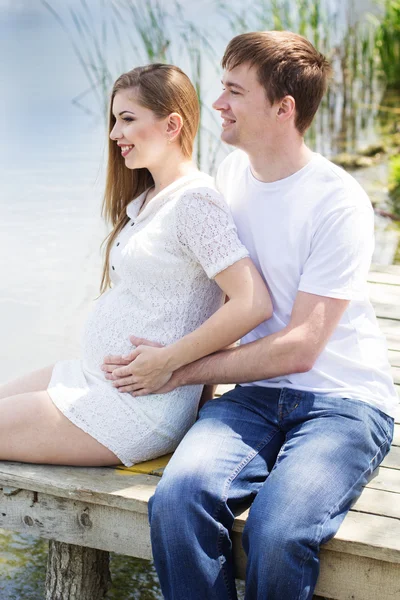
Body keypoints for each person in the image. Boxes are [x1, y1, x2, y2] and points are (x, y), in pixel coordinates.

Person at [104, 32, 398, 599]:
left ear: (283, 108)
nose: (217, 104)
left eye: (234, 92)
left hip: (343, 403)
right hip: (256, 396)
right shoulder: (230, 178)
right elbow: (217, 294)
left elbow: (301, 347)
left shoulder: (337, 201)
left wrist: (173, 370)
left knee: (280, 532)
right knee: (177, 500)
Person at [0, 63, 273, 468]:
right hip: (90, 378)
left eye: (127, 119)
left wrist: (170, 363)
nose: (114, 134)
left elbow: (251, 303)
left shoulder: (195, 203)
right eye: (114, 120)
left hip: (135, 408)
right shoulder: (147, 202)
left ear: (171, 125)